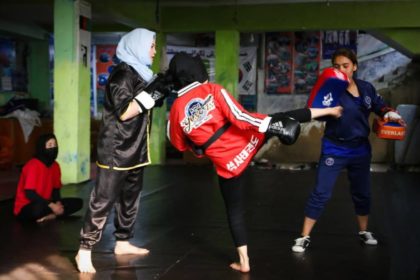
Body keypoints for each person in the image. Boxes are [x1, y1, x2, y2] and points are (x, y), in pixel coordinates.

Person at [165, 52, 343, 272]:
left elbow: (178, 144)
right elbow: (240, 118)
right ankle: (331, 110)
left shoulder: (176, 109)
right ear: (197, 70)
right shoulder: (213, 90)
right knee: (287, 115)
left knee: (234, 210)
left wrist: (198, 146)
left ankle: (244, 262)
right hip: (248, 141)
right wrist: (271, 124)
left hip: (228, 164)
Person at [75, 28, 172, 273]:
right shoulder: (122, 76)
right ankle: (84, 250)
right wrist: (153, 94)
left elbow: (147, 104)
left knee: (131, 198)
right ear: (137, 47)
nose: (153, 51)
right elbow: (125, 111)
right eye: (151, 46)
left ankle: (122, 241)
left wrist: (159, 91)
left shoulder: (141, 74)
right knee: (103, 200)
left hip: (136, 147)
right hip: (116, 149)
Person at [291, 48, 403, 253]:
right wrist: (328, 111)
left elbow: (380, 107)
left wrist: (390, 114)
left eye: (346, 66)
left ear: (355, 67)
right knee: (321, 192)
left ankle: (363, 232)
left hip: (360, 149)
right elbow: (315, 112)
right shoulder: (331, 90)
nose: (341, 70)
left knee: (362, 192)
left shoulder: (366, 88)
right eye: (336, 66)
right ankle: (303, 236)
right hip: (335, 148)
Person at [14, 133, 83, 223]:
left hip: (46, 203)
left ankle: (51, 216)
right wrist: (52, 205)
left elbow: (55, 189)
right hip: (27, 206)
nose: (53, 148)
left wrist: (58, 202)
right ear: (42, 147)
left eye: (55, 145)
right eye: (50, 145)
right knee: (37, 209)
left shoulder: (55, 166)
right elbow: (30, 194)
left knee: (78, 203)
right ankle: (52, 214)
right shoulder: (33, 165)